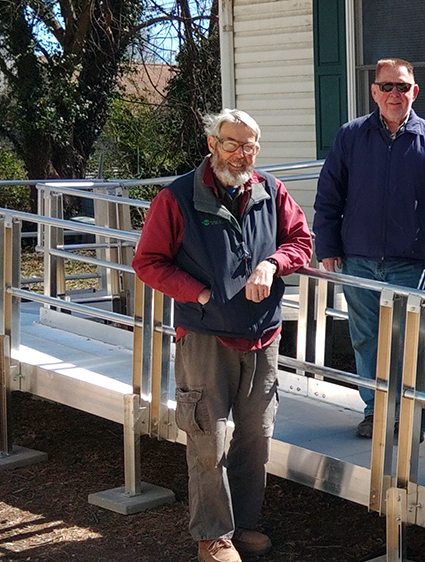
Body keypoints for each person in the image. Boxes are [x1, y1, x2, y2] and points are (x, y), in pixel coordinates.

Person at [131, 109, 312, 562]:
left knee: (256, 436)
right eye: (231, 143)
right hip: (205, 337)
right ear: (212, 144)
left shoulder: (271, 191)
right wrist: (201, 294)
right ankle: (213, 536)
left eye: (249, 145)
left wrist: (273, 264)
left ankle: (244, 524)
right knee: (207, 437)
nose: (240, 154)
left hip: (263, 336)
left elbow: (302, 242)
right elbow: (148, 262)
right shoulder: (177, 198)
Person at [313, 58, 425, 438]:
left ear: (415, 92)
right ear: (373, 91)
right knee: (365, 339)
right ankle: (376, 411)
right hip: (357, 259)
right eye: (387, 86)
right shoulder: (351, 135)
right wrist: (326, 246)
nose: (395, 94)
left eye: (403, 87)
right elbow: (329, 196)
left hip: (409, 263)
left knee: (408, 342)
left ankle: (408, 413)